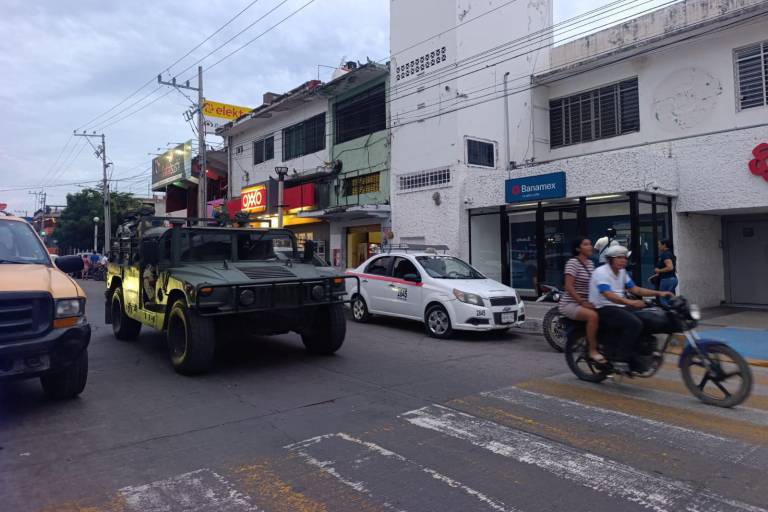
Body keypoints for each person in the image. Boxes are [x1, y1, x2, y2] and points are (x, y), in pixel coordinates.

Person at [588, 245, 673, 365]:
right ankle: (621, 357)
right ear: (610, 259)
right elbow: (608, 294)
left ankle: (639, 350)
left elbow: (635, 289)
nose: (623, 260)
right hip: (603, 307)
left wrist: (659, 293)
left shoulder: (622, 272)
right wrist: (631, 302)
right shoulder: (601, 272)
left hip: (619, 306)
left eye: (624, 258)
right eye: (619, 257)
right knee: (634, 323)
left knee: (646, 318)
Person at [559, 237, 602, 363]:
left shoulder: (590, 264)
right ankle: (592, 350)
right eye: (586, 244)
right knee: (593, 316)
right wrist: (582, 302)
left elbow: (595, 284)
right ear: (578, 248)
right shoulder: (573, 263)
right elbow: (569, 286)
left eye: (590, 244)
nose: (590, 246)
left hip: (587, 301)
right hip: (571, 303)